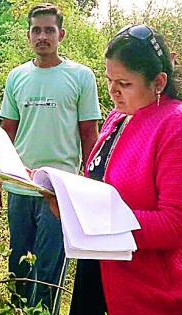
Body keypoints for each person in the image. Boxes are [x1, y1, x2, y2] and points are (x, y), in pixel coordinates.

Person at [0, 3, 101, 312]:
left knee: (51, 265)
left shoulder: (81, 76)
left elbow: (89, 134)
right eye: (36, 30)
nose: (42, 36)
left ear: (61, 34)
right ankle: (17, 310)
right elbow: (6, 132)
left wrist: (92, 184)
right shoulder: (17, 77)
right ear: (28, 36)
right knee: (19, 260)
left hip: (60, 189)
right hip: (19, 183)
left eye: (49, 30)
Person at [69, 25, 182, 315]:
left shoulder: (174, 126)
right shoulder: (118, 118)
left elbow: (175, 224)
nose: (113, 92)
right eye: (108, 80)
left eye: (125, 83)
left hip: (145, 286)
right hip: (99, 269)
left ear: (158, 82)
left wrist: (101, 219)